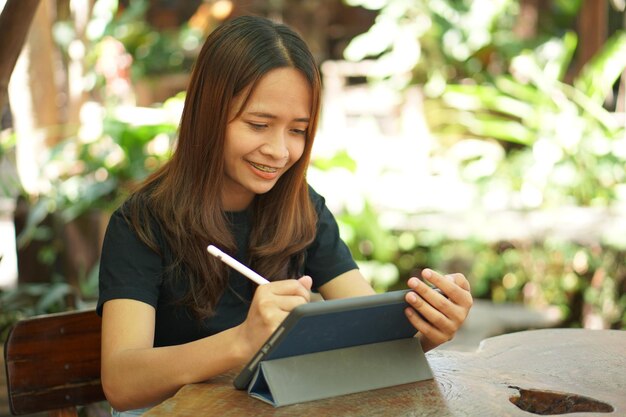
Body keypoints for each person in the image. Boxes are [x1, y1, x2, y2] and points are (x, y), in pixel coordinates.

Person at [97, 15, 473, 416]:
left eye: (297, 130)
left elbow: (370, 344)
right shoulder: (142, 223)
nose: (279, 151)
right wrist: (242, 341)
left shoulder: (301, 208)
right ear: (208, 114)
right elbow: (121, 382)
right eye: (259, 124)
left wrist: (428, 328)